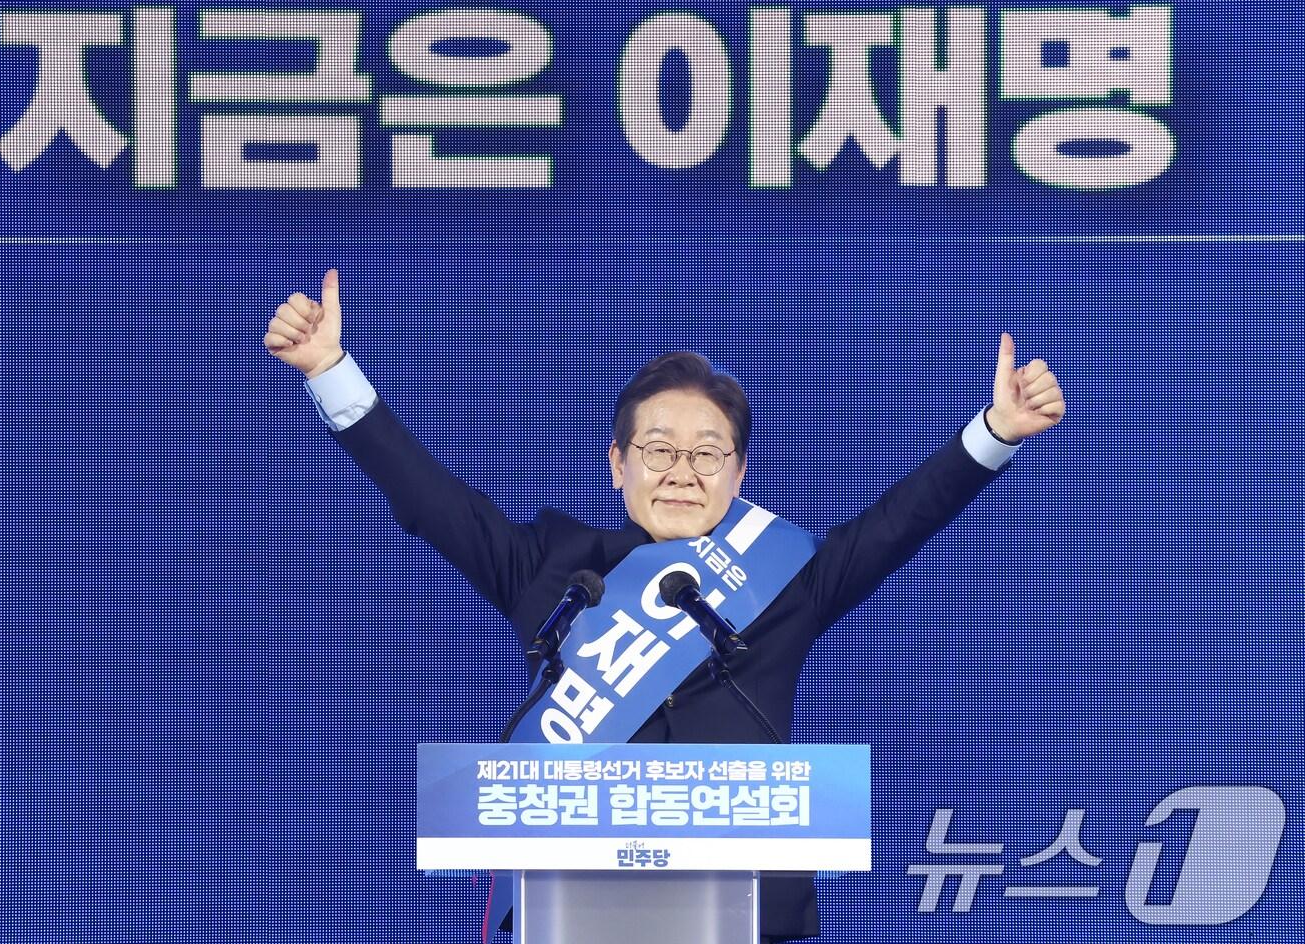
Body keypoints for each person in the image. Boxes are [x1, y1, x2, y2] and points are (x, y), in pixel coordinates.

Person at [263, 269, 1066, 942]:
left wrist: (997, 430)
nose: (682, 472)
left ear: (739, 474)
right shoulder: (555, 569)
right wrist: (330, 369)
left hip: (744, 911)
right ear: (617, 464)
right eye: (658, 451)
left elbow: (901, 522)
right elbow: (428, 500)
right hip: (574, 905)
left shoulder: (786, 579)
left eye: (708, 454)